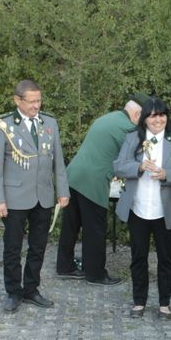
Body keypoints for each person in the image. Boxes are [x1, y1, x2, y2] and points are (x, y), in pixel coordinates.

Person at [0, 79, 70, 313]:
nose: (36, 106)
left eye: (38, 100)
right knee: (13, 247)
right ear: (17, 100)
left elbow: (58, 161)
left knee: (38, 246)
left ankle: (31, 288)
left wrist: (63, 191)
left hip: (43, 195)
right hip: (14, 197)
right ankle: (14, 291)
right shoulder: (3, 125)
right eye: (31, 101)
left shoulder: (49, 123)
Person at [113, 97, 171, 318]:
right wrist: (138, 167)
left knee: (166, 259)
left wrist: (167, 174)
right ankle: (139, 302)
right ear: (145, 119)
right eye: (153, 116)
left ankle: (164, 304)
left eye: (162, 115)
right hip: (138, 209)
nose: (158, 120)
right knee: (138, 257)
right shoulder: (132, 138)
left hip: (165, 210)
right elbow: (118, 166)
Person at [56, 95, 147, 285]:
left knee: (71, 225)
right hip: (93, 181)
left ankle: (64, 266)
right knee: (95, 228)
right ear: (137, 114)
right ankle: (95, 273)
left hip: (72, 175)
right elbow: (134, 159)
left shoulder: (108, 118)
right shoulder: (128, 128)